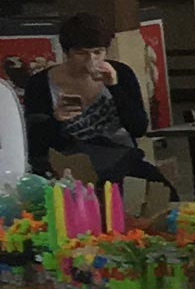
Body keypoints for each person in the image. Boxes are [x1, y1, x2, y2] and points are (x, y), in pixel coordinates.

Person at [22, 15, 154, 189]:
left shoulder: (121, 73)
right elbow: (36, 146)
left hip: (118, 156)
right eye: (81, 53)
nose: (91, 60)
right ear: (67, 53)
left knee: (157, 184)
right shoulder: (40, 85)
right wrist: (55, 119)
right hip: (69, 161)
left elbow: (138, 128)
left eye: (98, 52)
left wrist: (114, 87)